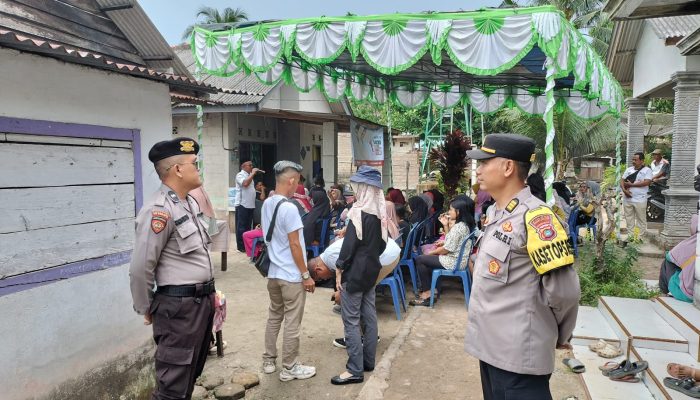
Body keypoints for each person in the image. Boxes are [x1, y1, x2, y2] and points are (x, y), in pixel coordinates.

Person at [465, 133, 581, 400]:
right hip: (491, 349)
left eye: (484, 162)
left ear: (507, 167)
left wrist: (558, 334)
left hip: (519, 357)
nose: (478, 170)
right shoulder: (496, 212)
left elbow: (564, 292)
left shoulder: (537, 219)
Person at [129, 138, 215, 399]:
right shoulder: (159, 210)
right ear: (178, 169)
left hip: (199, 304)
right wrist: (147, 307)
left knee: (189, 375)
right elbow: (141, 267)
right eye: (194, 164)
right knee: (173, 385)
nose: (198, 169)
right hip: (179, 309)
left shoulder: (188, 203)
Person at [261, 161, 317, 382]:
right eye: (298, 181)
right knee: (292, 322)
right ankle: (289, 367)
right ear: (292, 180)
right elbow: (295, 245)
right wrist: (306, 275)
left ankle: (268, 361)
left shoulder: (267, 204)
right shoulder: (289, 208)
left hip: (273, 273)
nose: (298, 186)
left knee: (274, 316)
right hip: (291, 276)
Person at [331, 165, 387, 385]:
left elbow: (348, 247)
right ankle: (368, 362)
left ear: (363, 188)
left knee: (351, 320)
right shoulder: (379, 214)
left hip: (354, 272)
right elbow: (382, 244)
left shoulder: (357, 212)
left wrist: (339, 267)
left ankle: (355, 369)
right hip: (372, 269)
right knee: (369, 315)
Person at [409, 196, 476, 306]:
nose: (449, 212)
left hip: (453, 261)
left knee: (421, 259)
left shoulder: (459, 227)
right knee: (426, 259)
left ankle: (426, 294)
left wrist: (431, 253)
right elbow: (451, 241)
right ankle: (432, 289)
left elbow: (446, 250)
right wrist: (445, 226)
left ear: (458, 212)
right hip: (458, 260)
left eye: (450, 209)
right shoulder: (464, 225)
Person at [658, 215, 697, 302]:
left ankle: (663, 292)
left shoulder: (694, 242)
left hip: (687, 294)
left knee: (667, 262)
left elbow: (670, 256)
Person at [621, 152, 653, 238]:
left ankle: (639, 237)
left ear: (642, 161)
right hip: (627, 198)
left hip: (640, 199)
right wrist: (624, 190)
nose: (633, 161)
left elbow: (647, 182)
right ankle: (631, 236)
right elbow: (622, 180)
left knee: (641, 219)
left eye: (636, 160)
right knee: (629, 218)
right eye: (633, 159)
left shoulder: (647, 170)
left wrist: (632, 185)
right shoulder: (629, 169)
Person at [235, 160, 262, 252]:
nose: (251, 167)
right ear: (243, 166)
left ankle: (247, 245)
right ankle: (241, 247)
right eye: (249, 165)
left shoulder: (249, 175)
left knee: (247, 227)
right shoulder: (240, 175)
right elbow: (245, 184)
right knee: (241, 226)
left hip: (250, 205)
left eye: (252, 165)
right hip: (242, 204)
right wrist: (253, 173)